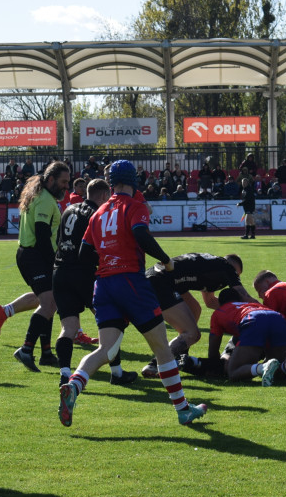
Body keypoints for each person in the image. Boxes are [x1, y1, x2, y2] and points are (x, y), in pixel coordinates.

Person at [58, 160, 207, 428]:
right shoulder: (135, 206)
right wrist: (166, 260)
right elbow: (141, 235)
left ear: (111, 182)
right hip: (130, 282)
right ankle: (183, 409)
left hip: (103, 285)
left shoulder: (98, 212)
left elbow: (84, 254)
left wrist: (107, 260)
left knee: (105, 349)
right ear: (133, 181)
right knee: (161, 347)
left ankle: (74, 385)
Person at [52, 178, 136, 387]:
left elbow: (59, 240)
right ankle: (116, 372)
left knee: (68, 328)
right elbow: (98, 246)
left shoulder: (68, 210)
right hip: (84, 273)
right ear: (104, 195)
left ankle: (65, 373)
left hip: (60, 271)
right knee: (112, 320)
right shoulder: (97, 213)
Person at [0, 161, 70, 372]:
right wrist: (54, 262)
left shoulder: (41, 195)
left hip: (31, 254)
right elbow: (42, 235)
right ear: (51, 179)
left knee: (50, 302)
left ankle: (46, 353)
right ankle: (26, 349)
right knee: (49, 303)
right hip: (35, 255)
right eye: (63, 181)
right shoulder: (45, 200)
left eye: (68, 182)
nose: (66, 186)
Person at [141, 253, 253, 377]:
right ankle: (155, 364)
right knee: (193, 334)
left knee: (194, 309)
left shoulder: (214, 269)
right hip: (160, 281)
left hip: (158, 277)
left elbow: (210, 302)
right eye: (236, 274)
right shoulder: (226, 267)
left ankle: (181, 354)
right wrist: (262, 311)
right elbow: (244, 296)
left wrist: (233, 312)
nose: (235, 278)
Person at [203, 287, 286, 385]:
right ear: (240, 299)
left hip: (253, 319)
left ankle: (263, 367)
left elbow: (213, 348)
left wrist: (215, 366)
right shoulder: (251, 304)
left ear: (220, 303)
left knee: (233, 371)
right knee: (276, 371)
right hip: (278, 318)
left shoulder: (219, 312)